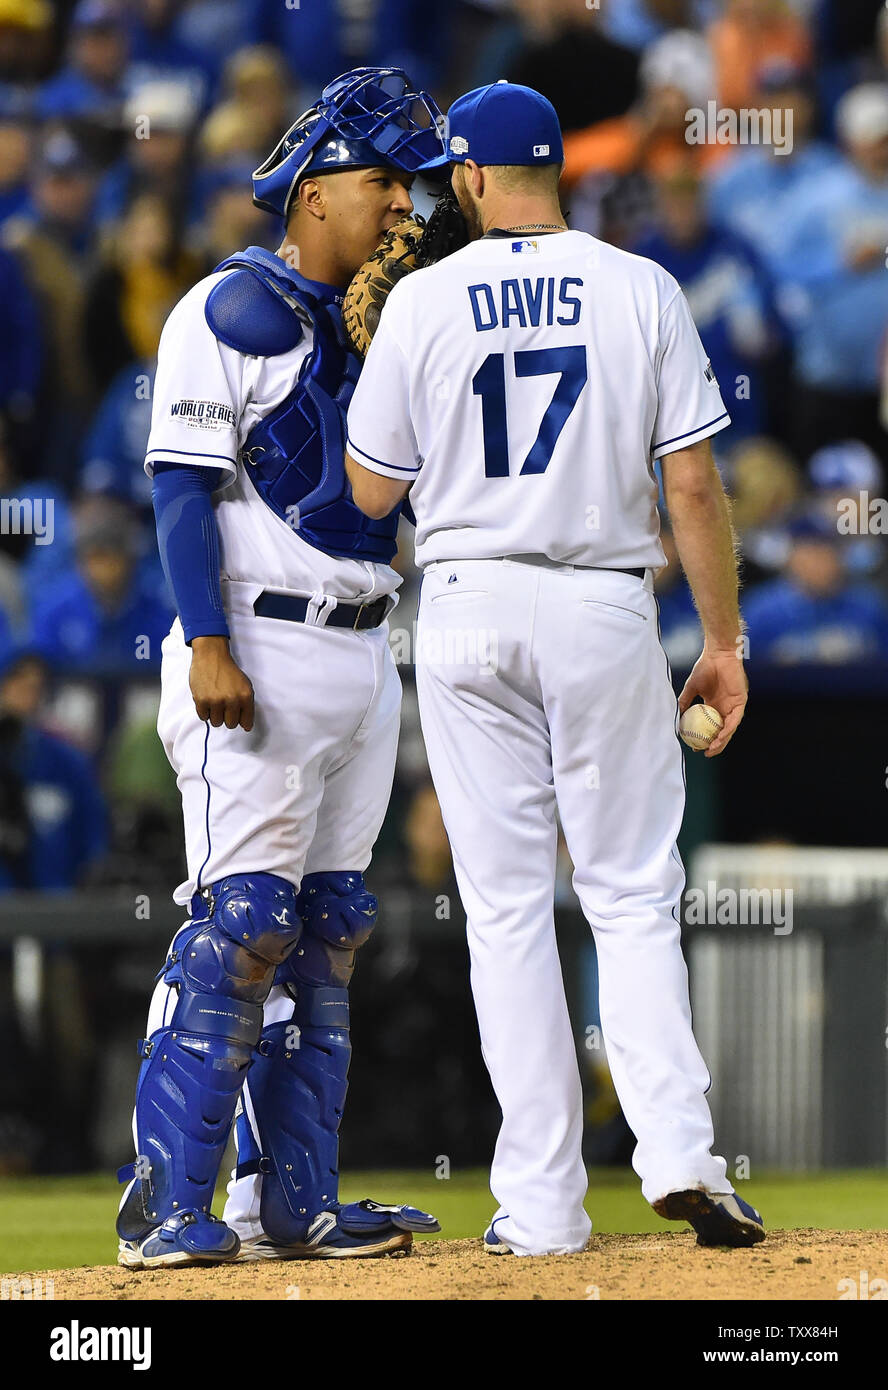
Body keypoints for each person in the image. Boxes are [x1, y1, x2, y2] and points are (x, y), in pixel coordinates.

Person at [346, 80, 766, 1256]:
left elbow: (371, 495)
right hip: (600, 599)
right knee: (631, 890)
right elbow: (691, 485)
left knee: (506, 910)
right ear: (554, 170)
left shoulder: (426, 300)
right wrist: (725, 644)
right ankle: (679, 1152)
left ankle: (540, 1205)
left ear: (471, 177)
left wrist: (376, 356)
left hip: (468, 602)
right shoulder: (642, 287)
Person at [115, 66, 447, 1270]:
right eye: (380, 181)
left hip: (365, 645)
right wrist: (205, 637)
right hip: (251, 639)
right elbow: (179, 488)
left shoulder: (392, 317)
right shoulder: (222, 307)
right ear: (312, 193)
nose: (400, 205)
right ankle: (163, 1204)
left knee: (329, 925)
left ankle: (291, 1205)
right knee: (240, 919)